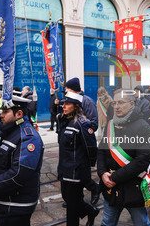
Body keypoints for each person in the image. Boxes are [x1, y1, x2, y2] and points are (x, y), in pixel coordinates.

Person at [0, 95, 44, 226]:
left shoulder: (28, 137)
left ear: (19, 114)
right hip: (4, 200)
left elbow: (19, 174)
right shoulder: (5, 130)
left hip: (16, 205)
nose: (0, 115)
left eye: (5, 112)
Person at [97, 88, 150, 226]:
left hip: (133, 187)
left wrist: (114, 178)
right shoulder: (111, 124)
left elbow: (142, 161)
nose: (116, 106)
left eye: (121, 102)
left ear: (132, 104)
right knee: (107, 222)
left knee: (141, 223)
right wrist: (102, 172)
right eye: (114, 103)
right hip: (110, 186)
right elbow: (102, 151)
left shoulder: (143, 127)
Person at [57, 92, 99, 226]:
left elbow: (91, 148)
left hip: (76, 173)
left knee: (71, 208)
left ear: (76, 106)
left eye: (67, 104)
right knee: (70, 201)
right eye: (63, 103)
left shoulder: (83, 123)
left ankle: (87, 213)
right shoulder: (65, 121)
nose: (63, 106)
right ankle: (91, 211)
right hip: (64, 170)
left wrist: (85, 173)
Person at [65, 77, 100, 206]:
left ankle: (94, 189)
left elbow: (94, 123)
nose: (65, 92)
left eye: (67, 89)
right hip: (70, 144)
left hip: (82, 143)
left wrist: (82, 127)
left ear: (73, 90)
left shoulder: (87, 101)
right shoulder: (69, 101)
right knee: (71, 173)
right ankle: (74, 198)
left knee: (82, 174)